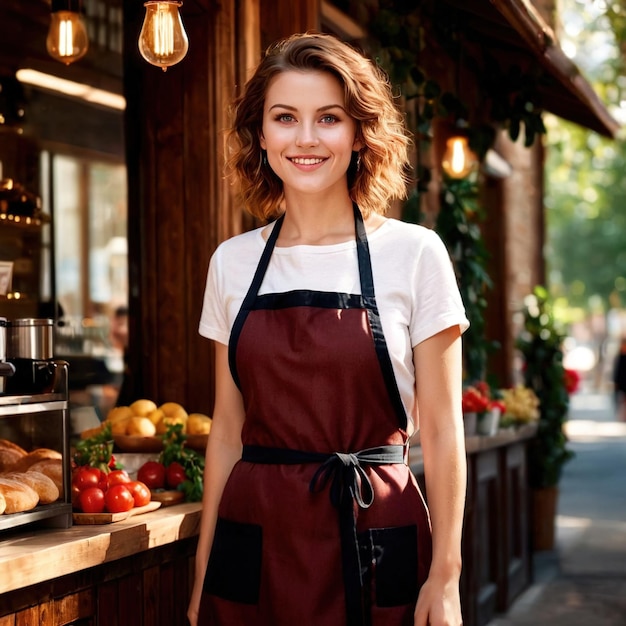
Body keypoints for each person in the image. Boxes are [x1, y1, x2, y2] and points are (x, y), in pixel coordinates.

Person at [188, 32, 469, 626]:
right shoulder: (232, 263)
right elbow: (228, 429)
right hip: (254, 543)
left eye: (329, 118)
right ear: (260, 135)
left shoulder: (415, 254)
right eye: (285, 117)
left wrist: (445, 577)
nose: (306, 139)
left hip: (375, 533)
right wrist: (203, 573)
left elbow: (443, 432)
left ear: (360, 133)